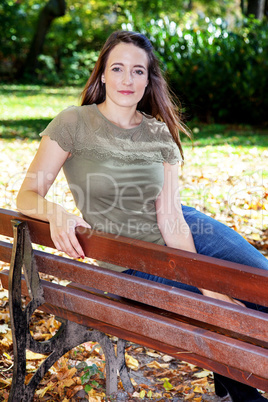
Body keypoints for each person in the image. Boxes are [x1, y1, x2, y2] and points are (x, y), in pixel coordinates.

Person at [16, 30, 268, 401]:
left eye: (138, 71)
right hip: (133, 262)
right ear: (102, 74)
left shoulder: (157, 132)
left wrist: (209, 285)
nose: (127, 79)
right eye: (117, 68)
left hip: (188, 232)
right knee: (227, 314)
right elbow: (27, 193)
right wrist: (56, 212)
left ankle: (232, 386)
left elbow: (172, 221)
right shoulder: (73, 124)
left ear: (149, 79)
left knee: (258, 286)